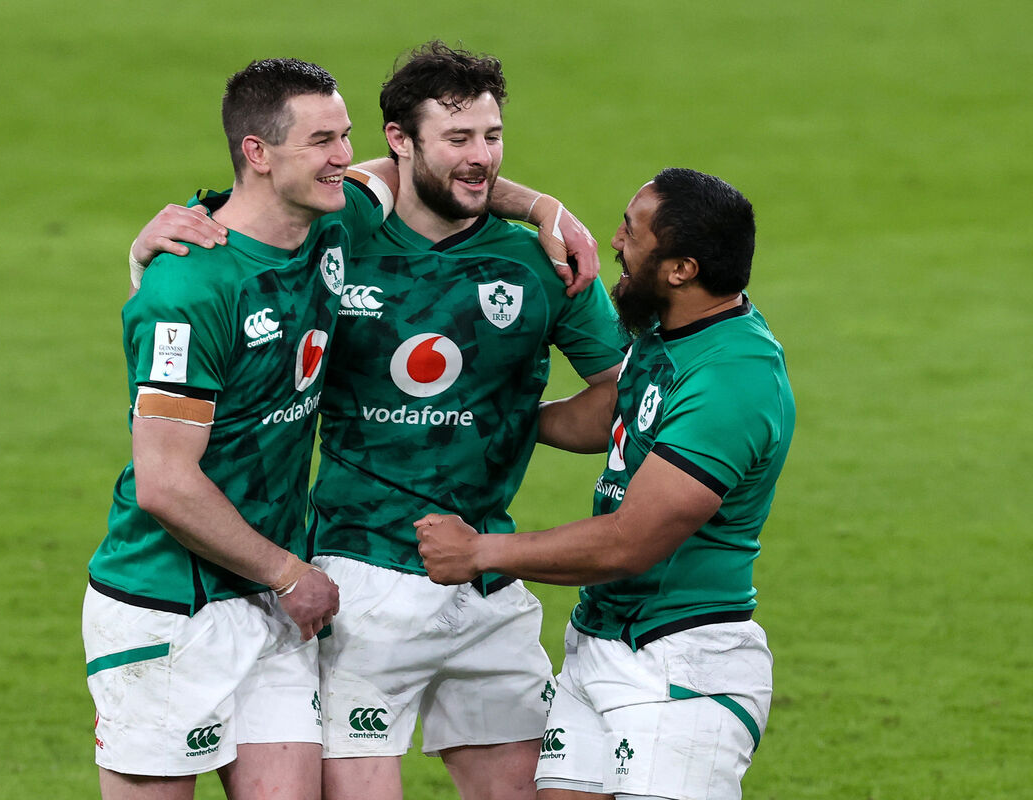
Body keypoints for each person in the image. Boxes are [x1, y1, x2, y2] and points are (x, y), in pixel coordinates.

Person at [129, 41, 628, 800]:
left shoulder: (542, 263)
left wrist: (520, 416)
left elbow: (621, 398)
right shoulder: (338, 232)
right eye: (457, 139)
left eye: (492, 137)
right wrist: (159, 244)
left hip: (487, 574)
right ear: (400, 142)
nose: (481, 158)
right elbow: (253, 228)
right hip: (358, 577)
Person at [415, 168, 795, 800]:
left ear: (681, 269)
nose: (616, 241)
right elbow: (612, 414)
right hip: (603, 640)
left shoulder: (734, 377)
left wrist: (480, 552)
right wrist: (488, 419)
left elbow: (629, 542)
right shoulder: (672, 336)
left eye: (632, 232)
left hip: (680, 663)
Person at [82, 58, 391, 800]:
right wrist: (290, 572)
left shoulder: (336, 215)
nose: (343, 158)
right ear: (257, 152)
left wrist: (544, 210)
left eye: (345, 137)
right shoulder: (189, 286)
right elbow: (164, 483)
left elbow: (417, 170)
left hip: (267, 599)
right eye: (322, 141)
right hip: (169, 608)